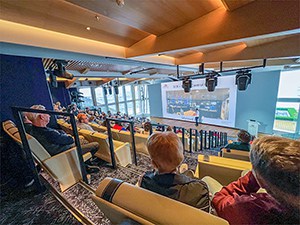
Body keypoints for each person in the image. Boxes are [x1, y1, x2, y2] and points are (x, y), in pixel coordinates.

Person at [212, 136, 300, 225]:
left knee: (207, 179)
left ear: (262, 183)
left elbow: (218, 200)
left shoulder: (257, 208)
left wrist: (256, 174)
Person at [138, 132, 210, 211]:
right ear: (181, 158)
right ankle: (183, 172)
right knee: (201, 177)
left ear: (153, 163)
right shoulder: (199, 189)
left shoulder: (143, 181)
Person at [26, 105, 100, 172]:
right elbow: (69, 140)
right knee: (95, 145)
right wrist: (64, 135)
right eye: (47, 113)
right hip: (66, 153)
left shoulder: (34, 130)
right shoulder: (47, 133)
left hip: (60, 151)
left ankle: (85, 163)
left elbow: (61, 136)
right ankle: (84, 167)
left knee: (83, 140)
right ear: (41, 116)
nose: (49, 116)